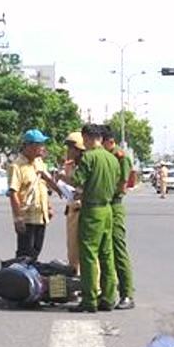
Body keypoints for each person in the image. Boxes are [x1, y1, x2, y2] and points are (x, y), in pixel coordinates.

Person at [70, 123, 119, 313]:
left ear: (88, 138)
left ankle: (89, 300)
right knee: (107, 254)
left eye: (84, 140)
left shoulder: (88, 158)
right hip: (108, 209)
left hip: (92, 210)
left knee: (88, 255)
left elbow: (77, 181)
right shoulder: (112, 159)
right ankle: (108, 297)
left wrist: (63, 178)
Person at [7, 129, 57, 262]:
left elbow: (42, 186)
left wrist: (49, 206)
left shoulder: (39, 162)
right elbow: (13, 193)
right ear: (29, 146)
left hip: (41, 216)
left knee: (36, 252)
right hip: (27, 218)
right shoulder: (16, 166)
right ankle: (20, 281)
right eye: (39, 145)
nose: (42, 148)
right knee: (24, 255)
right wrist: (18, 219)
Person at [102, 128, 136, 310]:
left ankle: (127, 293)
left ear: (109, 141)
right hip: (104, 205)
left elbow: (122, 187)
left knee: (118, 249)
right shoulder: (106, 157)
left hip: (114, 204)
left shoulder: (120, 157)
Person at [61, 131, 85, 275]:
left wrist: (64, 179)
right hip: (72, 209)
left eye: (70, 148)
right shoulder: (71, 165)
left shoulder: (85, 165)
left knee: (79, 251)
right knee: (72, 251)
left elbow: (81, 186)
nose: (67, 151)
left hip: (80, 210)